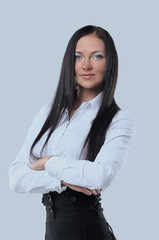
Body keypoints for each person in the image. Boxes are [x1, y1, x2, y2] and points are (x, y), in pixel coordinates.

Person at [9, 25, 136, 240]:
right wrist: (61, 181)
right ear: (69, 62)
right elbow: (16, 178)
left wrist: (47, 162)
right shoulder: (48, 114)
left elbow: (101, 175)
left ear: (110, 62)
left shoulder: (118, 120)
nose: (86, 65)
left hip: (89, 231)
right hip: (53, 231)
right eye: (78, 57)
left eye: (97, 56)